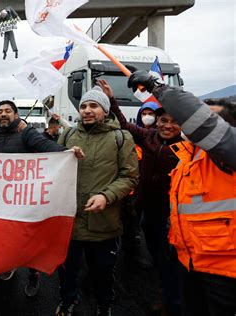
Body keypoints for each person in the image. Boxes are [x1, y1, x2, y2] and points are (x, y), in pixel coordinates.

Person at [129, 72, 236, 316]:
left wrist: (158, 87)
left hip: (224, 271)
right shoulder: (189, 156)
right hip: (191, 261)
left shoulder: (227, 155)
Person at [56, 86, 139, 316]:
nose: (87, 110)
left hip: (103, 223)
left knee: (102, 271)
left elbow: (130, 177)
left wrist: (106, 196)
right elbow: (52, 166)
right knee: (67, 269)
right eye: (83, 106)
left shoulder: (121, 137)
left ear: (104, 110)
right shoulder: (69, 135)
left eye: (93, 106)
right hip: (70, 222)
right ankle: (68, 300)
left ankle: (104, 304)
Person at [103, 78, 184, 314]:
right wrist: (111, 99)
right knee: (156, 250)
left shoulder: (188, 147)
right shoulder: (148, 137)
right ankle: (164, 289)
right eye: (163, 120)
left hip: (172, 212)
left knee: (170, 258)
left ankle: (170, 299)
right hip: (146, 207)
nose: (166, 125)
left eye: (173, 122)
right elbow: (125, 125)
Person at [0, 100, 84, 298]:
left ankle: (33, 273)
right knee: (6, 235)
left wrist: (67, 152)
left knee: (28, 236)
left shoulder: (27, 133)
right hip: (3, 198)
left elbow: (46, 145)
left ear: (16, 115)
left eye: (8, 111)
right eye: (0, 111)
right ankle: (8, 264)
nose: (3, 114)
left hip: (25, 196)